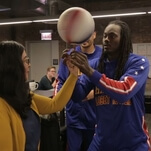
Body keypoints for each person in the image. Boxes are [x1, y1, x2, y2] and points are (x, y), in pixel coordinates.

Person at [64, 20, 151, 151]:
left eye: (112, 36)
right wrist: (73, 75)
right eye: (105, 36)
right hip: (101, 143)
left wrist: (90, 72)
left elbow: (124, 92)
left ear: (124, 39)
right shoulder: (95, 65)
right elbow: (78, 96)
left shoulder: (139, 63)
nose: (106, 39)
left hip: (133, 144)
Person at [0, 40, 78, 151]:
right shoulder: (2, 107)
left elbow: (54, 104)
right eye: (26, 60)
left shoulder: (24, 96)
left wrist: (73, 74)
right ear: (12, 66)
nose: (29, 64)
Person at [56, 31, 102, 151]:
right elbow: (60, 81)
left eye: (88, 34)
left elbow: (110, 81)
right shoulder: (69, 56)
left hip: (95, 116)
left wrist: (96, 92)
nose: (84, 38)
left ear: (94, 35)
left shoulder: (102, 57)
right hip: (74, 117)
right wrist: (62, 100)